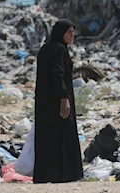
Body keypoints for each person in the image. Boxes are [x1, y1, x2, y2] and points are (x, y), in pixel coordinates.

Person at [33, 19, 84, 184]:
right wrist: (64, 98)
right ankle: (65, 175)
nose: (72, 35)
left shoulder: (45, 49)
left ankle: (46, 176)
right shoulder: (59, 50)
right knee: (63, 136)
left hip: (45, 103)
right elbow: (57, 74)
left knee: (47, 138)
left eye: (73, 31)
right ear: (60, 33)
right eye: (69, 32)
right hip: (57, 102)